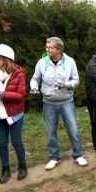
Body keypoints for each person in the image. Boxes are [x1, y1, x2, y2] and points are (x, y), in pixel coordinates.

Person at [29, 37, 88, 170]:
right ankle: (54, 157)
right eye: (46, 46)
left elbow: (76, 81)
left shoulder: (70, 62)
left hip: (66, 101)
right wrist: (33, 87)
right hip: (48, 103)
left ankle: (78, 155)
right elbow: (35, 78)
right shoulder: (42, 62)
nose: (47, 49)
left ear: (59, 49)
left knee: (73, 129)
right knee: (50, 132)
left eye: (50, 47)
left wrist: (65, 85)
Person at [0, 44, 27, 183]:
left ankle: (22, 166)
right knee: (2, 143)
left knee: (16, 142)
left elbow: (21, 95)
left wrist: (4, 95)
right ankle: (5, 169)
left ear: (5, 59)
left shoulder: (18, 73)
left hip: (15, 114)